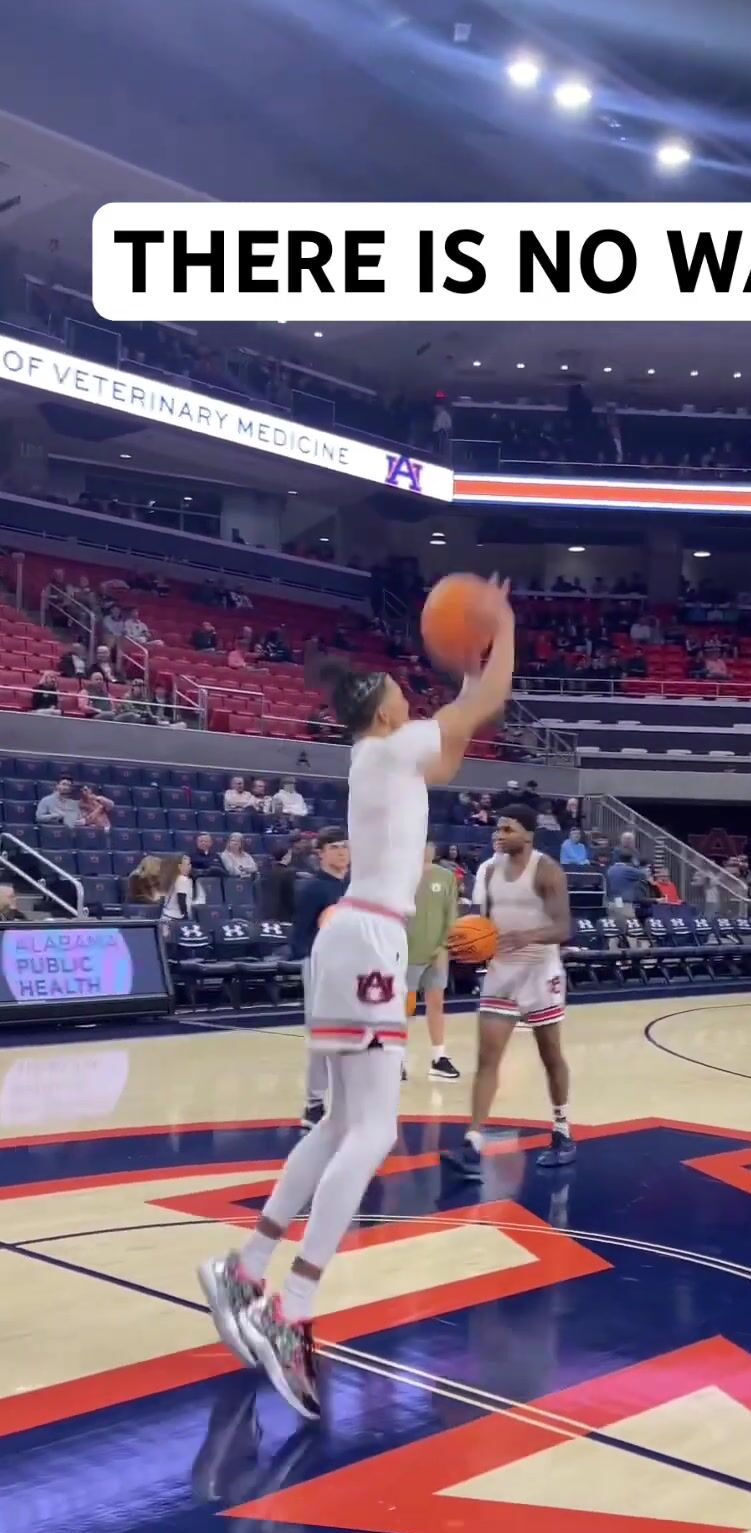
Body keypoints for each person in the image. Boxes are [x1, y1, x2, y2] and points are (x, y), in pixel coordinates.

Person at [198, 581, 516, 1419]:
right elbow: (485, 705)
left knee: (342, 1124)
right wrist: (503, 627)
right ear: (383, 712)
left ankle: (245, 1269)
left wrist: (469, 670)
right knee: (371, 1132)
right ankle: (290, 1310)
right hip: (371, 940)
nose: (413, 698)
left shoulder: (383, 756)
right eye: (403, 694)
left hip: (354, 937)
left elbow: (454, 746)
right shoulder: (387, 748)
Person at [442, 802, 573, 1180]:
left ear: (528, 835)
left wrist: (527, 936)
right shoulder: (486, 870)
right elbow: (478, 923)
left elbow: (563, 927)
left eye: (507, 829)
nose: (498, 835)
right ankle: (472, 1141)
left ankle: (562, 1129)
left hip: (540, 970)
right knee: (487, 1058)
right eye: (497, 828)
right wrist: (464, 943)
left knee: (551, 1055)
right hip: (501, 971)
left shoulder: (546, 870)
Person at [288, 826, 350, 1130]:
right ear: (320, 854)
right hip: (320, 964)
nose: (341, 852)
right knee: (322, 1035)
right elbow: (300, 936)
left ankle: (345, 1101)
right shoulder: (313, 888)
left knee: (351, 1035)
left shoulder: (355, 887)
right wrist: (314, 963)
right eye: (334, 847)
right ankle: (313, 1104)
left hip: (352, 965)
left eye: (345, 846)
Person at [405, 841, 459, 1083]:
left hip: (437, 953)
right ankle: (397, 1059)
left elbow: (451, 915)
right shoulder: (401, 875)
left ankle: (439, 1058)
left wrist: (444, 946)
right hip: (407, 952)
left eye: (428, 843)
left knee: (436, 1004)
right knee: (404, 1008)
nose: (424, 848)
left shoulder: (446, 877)